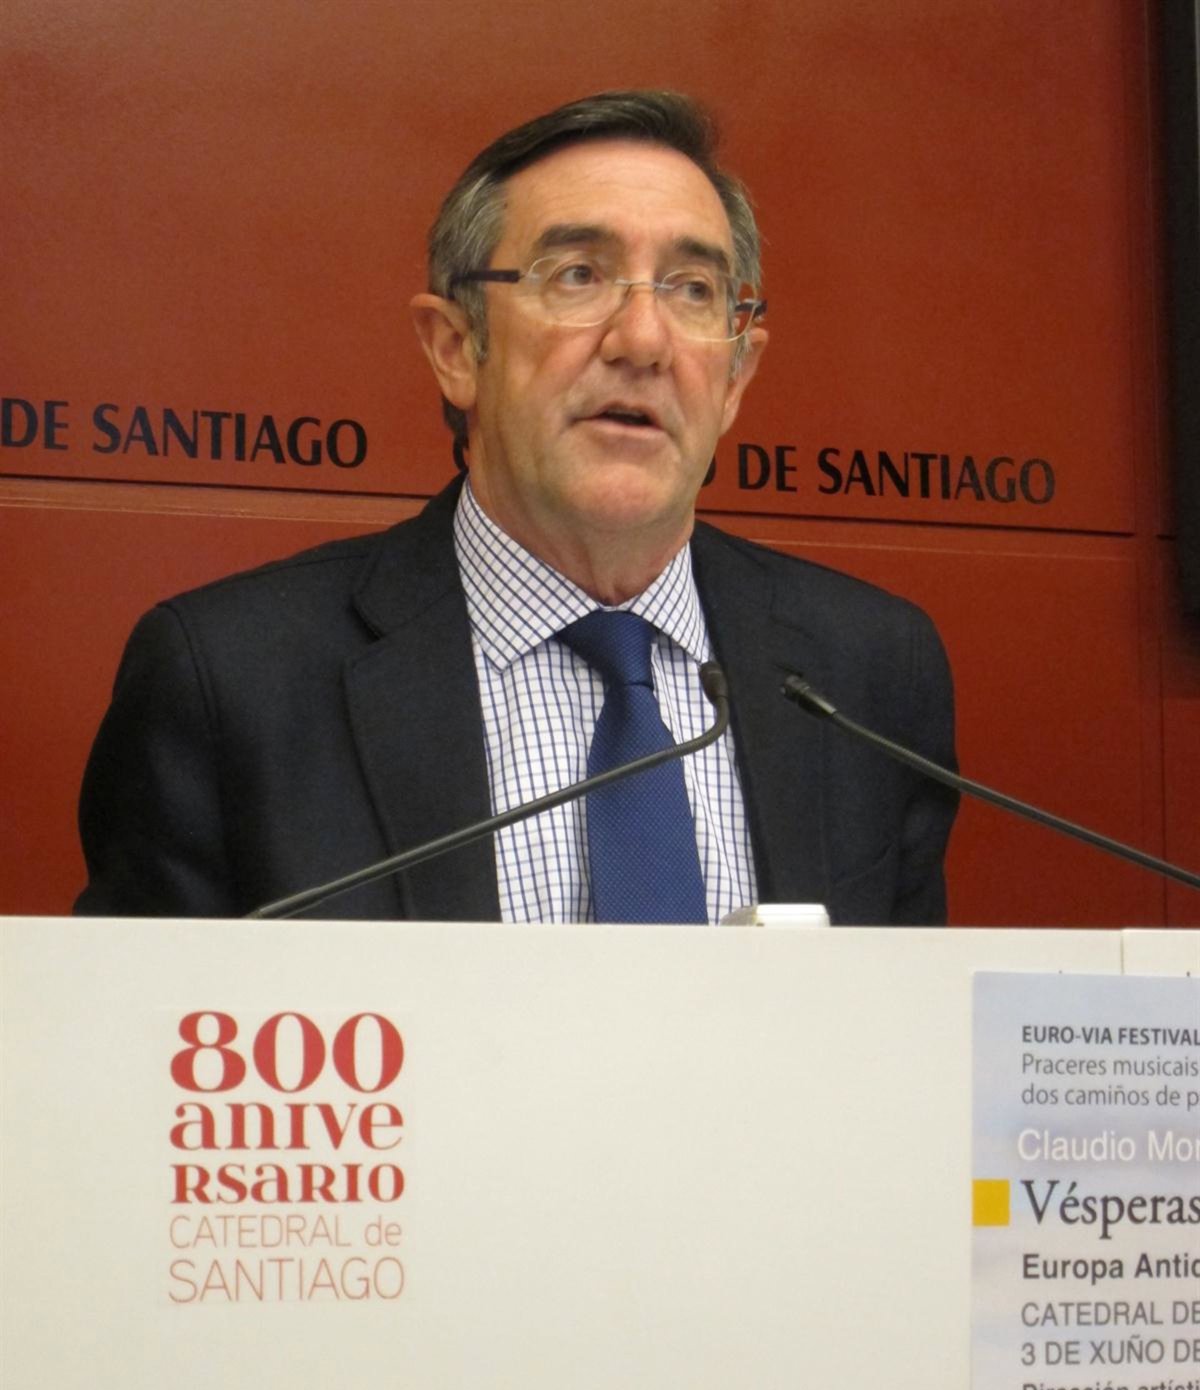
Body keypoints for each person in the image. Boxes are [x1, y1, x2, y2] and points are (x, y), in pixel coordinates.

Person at [75, 89, 957, 924]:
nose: (643, 341)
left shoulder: (868, 675)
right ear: (457, 348)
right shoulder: (233, 682)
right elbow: (140, 1026)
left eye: (693, 289)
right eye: (578, 275)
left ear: (735, 376)